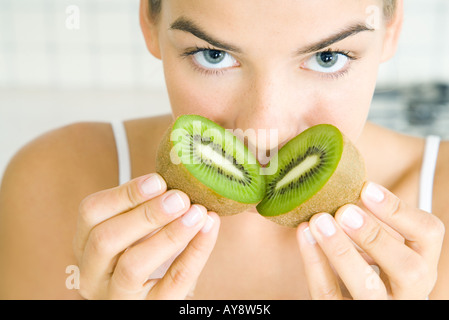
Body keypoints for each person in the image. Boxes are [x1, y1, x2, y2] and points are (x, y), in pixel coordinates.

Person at [0, 0, 447, 300]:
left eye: (327, 57)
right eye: (212, 55)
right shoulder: (56, 183)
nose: (262, 130)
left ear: (391, 32)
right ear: (149, 25)